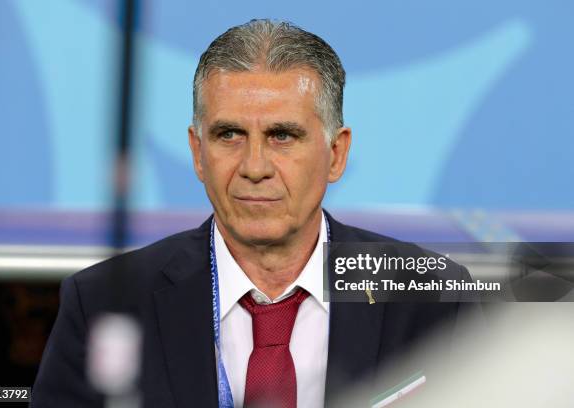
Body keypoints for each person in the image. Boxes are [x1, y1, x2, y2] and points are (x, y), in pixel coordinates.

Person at [31, 19, 472, 408]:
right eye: (229, 135)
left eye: (282, 135)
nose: (254, 167)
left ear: (336, 154)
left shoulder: (432, 299)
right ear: (198, 153)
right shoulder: (105, 304)